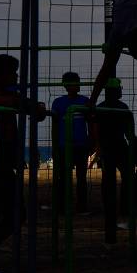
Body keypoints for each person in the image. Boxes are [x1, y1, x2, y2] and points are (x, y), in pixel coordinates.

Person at [0, 54, 46, 273]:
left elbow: (25, 107)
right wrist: (32, 105)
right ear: (0, 75)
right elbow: (16, 103)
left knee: (12, 214)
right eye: (13, 73)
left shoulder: (6, 94)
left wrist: (35, 108)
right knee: (3, 215)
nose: (16, 76)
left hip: (3, 165)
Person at [92, 78, 134, 245]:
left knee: (108, 179)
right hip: (117, 145)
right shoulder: (122, 107)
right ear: (116, 91)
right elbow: (129, 129)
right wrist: (131, 144)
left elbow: (95, 129)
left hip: (108, 146)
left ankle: (111, 206)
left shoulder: (101, 107)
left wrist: (97, 146)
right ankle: (124, 206)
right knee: (126, 177)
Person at [51, 71, 91, 214]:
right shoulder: (59, 103)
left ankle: (81, 206)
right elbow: (54, 127)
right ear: (67, 85)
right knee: (64, 178)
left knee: (81, 178)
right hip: (64, 146)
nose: (78, 84)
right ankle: (63, 206)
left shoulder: (85, 101)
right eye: (75, 82)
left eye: (78, 81)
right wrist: (55, 146)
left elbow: (91, 123)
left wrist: (91, 143)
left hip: (81, 145)